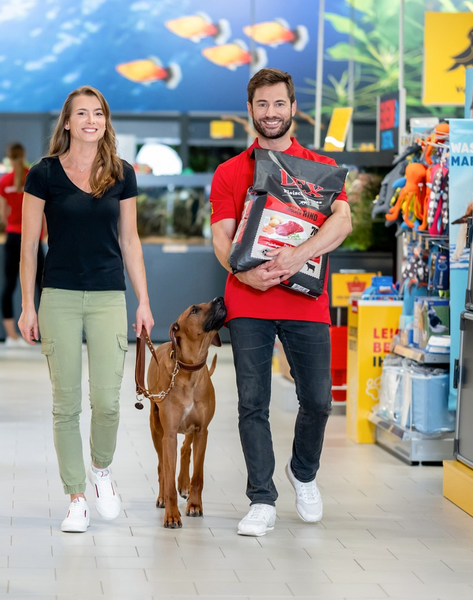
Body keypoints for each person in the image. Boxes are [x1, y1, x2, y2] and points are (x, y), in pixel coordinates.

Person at [209, 68, 352, 537]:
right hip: (248, 299)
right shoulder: (230, 172)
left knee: (318, 400)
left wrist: (298, 255)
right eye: (262, 105)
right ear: (250, 110)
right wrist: (242, 271)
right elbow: (221, 236)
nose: (271, 113)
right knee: (253, 402)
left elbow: (341, 223)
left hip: (305, 301)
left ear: (293, 109)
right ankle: (261, 499)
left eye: (279, 104)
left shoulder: (321, 169)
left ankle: (303, 472)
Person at [18, 86, 154, 533]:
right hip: (57, 295)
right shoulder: (43, 175)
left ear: (104, 121)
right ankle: (76, 497)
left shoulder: (122, 174)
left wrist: (144, 302)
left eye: (98, 113)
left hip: (108, 297)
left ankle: (101, 471)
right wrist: (27, 305)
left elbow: (131, 242)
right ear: (68, 122)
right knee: (66, 404)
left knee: (108, 403)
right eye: (82, 113)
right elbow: (28, 247)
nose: (91, 120)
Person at [0, 142, 45, 347]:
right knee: (41, 287)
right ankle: (41, 334)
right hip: (33, 239)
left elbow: (2, 214)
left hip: (13, 237)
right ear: (24, 155)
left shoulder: (4, 181)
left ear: (8, 157)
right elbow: (44, 212)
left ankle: (11, 336)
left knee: (9, 285)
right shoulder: (33, 176)